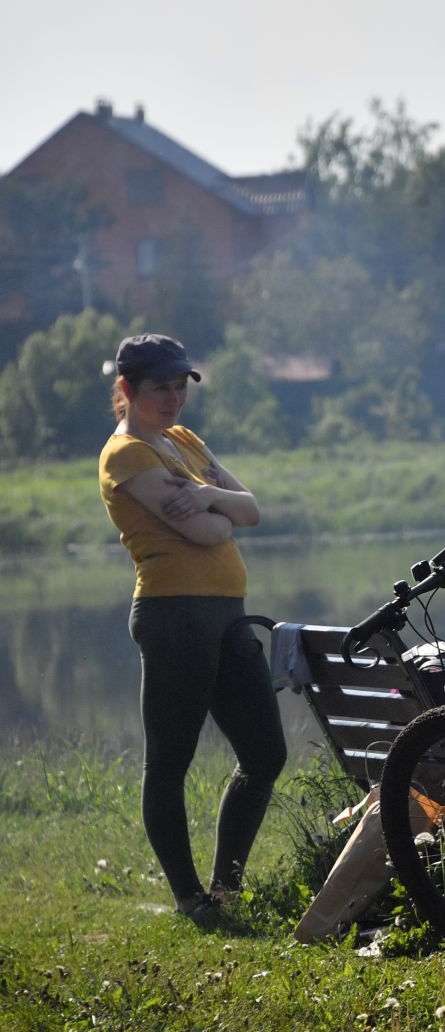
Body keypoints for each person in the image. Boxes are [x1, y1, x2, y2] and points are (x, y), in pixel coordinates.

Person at [97, 333, 283, 926]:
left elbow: (250, 508)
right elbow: (213, 533)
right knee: (169, 762)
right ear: (127, 390)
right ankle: (189, 898)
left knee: (266, 753)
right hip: (172, 613)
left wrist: (205, 495)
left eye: (181, 386)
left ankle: (226, 890)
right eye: (160, 388)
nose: (174, 398)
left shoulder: (181, 441)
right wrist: (219, 511)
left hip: (227, 612)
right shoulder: (126, 454)